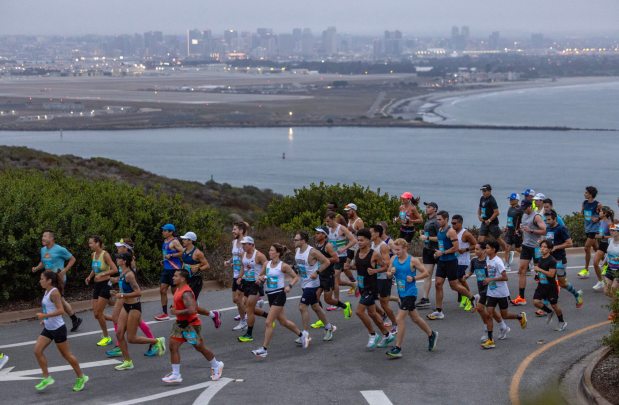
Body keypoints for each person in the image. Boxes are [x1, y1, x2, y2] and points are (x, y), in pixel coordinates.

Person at [162, 269, 224, 383]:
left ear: (183, 278)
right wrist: (174, 308)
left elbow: (192, 310)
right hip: (180, 324)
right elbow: (179, 304)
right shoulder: (178, 289)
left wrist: (176, 312)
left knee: (199, 347)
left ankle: (216, 365)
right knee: (173, 346)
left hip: (190, 325)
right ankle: (176, 374)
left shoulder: (186, 293)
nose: (173, 277)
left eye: (176, 276)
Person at [34, 270, 88, 392]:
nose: (40, 280)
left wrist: (43, 316)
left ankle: (81, 377)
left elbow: (61, 311)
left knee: (66, 355)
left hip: (58, 329)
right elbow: (49, 308)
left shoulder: (54, 293)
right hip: (48, 328)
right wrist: (45, 318)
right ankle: (46, 377)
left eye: (42, 278)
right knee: (37, 350)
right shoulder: (47, 291)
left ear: (49, 280)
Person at [251, 244, 307, 358]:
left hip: (280, 295)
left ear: (277, 253)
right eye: (269, 250)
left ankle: (264, 349)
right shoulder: (266, 264)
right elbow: (260, 276)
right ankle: (302, 335)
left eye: (271, 250)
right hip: (270, 295)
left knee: (268, 322)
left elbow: (296, 277)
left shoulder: (283, 266)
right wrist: (260, 279)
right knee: (283, 322)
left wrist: (289, 286)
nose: (269, 252)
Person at [385, 238, 438, 358]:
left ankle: (397, 348)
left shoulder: (412, 260)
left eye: (398, 250)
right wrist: (391, 273)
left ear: (405, 248)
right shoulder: (393, 259)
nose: (396, 252)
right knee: (415, 318)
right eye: (394, 250)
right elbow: (388, 274)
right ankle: (431, 334)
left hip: (410, 293)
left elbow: (426, 273)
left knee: (399, 319)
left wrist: (414, 278)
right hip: (401, 293)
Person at [106, 238, 158, 358]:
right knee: (127, 321)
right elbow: (123, 276)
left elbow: (131, 279)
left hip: (129, 297)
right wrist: (116, 280)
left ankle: (153, 342)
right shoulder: (124, 263)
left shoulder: (130, 261)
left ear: (126, 249)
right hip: (124, 295)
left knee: (133, 323)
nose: (118, 248)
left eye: (120, 247)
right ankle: (121, 346)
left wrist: (123, 293)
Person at [113, 252, 166, 371]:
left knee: (131, 338)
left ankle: (157, 341)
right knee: (119, 334)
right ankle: (127, 361)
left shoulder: (129, 275)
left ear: (124, 261)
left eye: (119, 258)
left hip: (134, 307)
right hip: (126, 306)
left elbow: (138, 292)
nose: (117, 259)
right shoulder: (122, 272)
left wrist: (122, 295)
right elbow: (123, 287)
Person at [427, 211, 477, 320]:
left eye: (440, 219)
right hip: (442, 261)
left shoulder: (451, 231)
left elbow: (455, 248)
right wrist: (437, 251)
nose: (438, 221)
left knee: (454, 285)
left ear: (446, 220)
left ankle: (472, 298)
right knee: (438, 284)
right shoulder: (440, 230)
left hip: (451, 261)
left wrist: (443, 252)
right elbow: (441, 241)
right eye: (437, 219)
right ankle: (439, 311)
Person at [352, 228, 396, 349]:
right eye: (358, 240)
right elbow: (359, 269)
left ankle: (372, 334)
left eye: (361, 240)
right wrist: (356, 284)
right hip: (362, 286)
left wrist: (375, 270)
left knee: (359, 312)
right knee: (372, 313)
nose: (359, 242)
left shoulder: (374, 254)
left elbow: (385, 266)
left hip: (371, 287)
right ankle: (387, 335)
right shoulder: (357, 252)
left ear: (368, 241)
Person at [31, 230, 82, 332]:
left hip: (58, 279)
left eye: (45, 236)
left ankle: (56, 324)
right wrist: (36, 268)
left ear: (51, 238)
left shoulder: (59, 249)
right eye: (42, 236)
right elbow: (43, 262)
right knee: (60, 301)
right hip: (48, 280)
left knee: (56, 301)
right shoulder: (43, 250)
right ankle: (74, 319)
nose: (42, 238)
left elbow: (72, 259)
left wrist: (64, 270)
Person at [481, 240, 528, 349]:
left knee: (504, 315)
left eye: (488, 248)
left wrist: (491, 279)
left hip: (501, 293)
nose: (486, 250)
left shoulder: (498, 262)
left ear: (493, 250)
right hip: (491, 292)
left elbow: (505, 277)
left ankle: (520, 316)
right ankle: (490, 340)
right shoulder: (488, 258)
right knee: (489, 315)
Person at [294, 231, 336, 343]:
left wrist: (317, 272)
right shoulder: (297, 250)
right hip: (304, 283)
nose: (294, 241)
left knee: (302, 307)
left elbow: (327, 262)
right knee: (316, 307)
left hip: (312, 284)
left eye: (296, 239)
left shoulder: (312, 252)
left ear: (303, 241)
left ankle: (305, 334)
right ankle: (329, 327)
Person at [464, 243, 510, 343]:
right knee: (491, 311)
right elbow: (471, 271)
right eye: (474, 249)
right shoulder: (474, 261)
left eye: (477, 249)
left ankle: (487, 331)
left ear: (484, 250)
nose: (475, 251)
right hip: (481, 288)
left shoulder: (488, 262)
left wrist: (492, 280)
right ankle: (503, 326)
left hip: (489, 288)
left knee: (481, 308)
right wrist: (467, 276)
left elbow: (499, 274)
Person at [542, 210, 582, 313]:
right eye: (546, 219)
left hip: (559, 260)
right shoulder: (548, 228)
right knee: (547, 282)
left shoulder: (561, 228)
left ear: (555, 219)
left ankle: (577, 295)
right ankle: (544, 307)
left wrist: (557, 247)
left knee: (562, 283)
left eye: (549, 219)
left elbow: (570, 243)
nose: (547, 221)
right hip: (550, 260)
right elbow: (549, 241)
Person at [180, 231, 221, 328]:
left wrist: (198, 268)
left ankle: (189, 323)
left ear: (190, 241)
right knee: (188, 303)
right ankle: (213, 315)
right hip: (186, 280)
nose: (183, 240)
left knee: (190, 305)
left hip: (195, 281)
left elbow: (207, 265)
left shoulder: (197, 253)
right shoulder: (184, 250)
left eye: (185, 239)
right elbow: (185, 264)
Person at [84, 235, 118, 347]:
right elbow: (94, 269)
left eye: (91, 243)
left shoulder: (105, 254)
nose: (89, 245)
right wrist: (89, 277)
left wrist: (103, 273)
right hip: (97, 285)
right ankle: (117, 319)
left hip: (105, 285)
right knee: (96, 314)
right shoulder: (93, 255)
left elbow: (114, 269)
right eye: (89, 243)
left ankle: (106, 337)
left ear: (97, 243)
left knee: (99, 312)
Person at [312, 226, 352, 320]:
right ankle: (322, 320)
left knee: (328, 300)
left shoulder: (328, 246)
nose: (316, 235)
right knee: (315, 298)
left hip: (328, 275)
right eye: (316, 233)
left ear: (324, 235)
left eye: (318, 233)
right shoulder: (317, 245)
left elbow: (336, 259)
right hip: (320, 274)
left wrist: (324, 260)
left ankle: (345, 306)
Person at [511, 200, 546, 306]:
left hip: (536, 248)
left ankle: (545, 295)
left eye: (525, 208)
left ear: (530, 206)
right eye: (523, 208)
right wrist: (520, 231)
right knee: (521, 270)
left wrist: (531, 231)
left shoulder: (537, 217)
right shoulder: (524, 215)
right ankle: (521, 298)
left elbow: (544, 230)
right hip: (526, 246)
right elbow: (524, 228)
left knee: (540, 273)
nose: (524, 210)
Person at [237, 236, 269, 343]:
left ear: (251, 244)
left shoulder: (259, 255)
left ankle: (249, 335)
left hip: (256, 284)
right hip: (247, 283)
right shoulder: (243, 254)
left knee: (249, 309)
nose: (243, 246)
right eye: (242, 244)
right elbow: (243, 267)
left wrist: (262, 279)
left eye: (245, 244)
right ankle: (269, 316)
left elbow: (268, 268)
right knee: (246, 307)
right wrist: (240, 277)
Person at [532, 240, 568, 331]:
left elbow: (551, 274)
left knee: (555, 305)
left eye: (544, 247)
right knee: (536, 302)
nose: (542, 249)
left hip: (551, 287)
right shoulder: (540, 259)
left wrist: (539, 269)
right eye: (541, 247)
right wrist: (537, 273)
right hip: (541, 285)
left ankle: (562, 322)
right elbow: (540, 271)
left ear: (550, 249)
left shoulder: (552, 260)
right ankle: (549, 312)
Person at [325, 212, 358, 309]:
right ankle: (353, 284)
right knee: (338, 281)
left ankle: (336, 303)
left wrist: (344, 248)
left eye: (328, 221)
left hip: (341, 257)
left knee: (334, 279)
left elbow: (353, 240)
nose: (327, 223)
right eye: (326, 221)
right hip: (333, 257)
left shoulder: (342, 228)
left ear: (334, 219)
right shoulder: (328, 229)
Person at [370, 224, 397, 332]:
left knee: (384, 304)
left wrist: (376, 264)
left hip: (384, 278)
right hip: (374, 278)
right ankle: (383, 315)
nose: (369, 234)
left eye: (371, 232)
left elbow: (386, 264)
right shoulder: (371, 244)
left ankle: (395, 323)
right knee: (369, 300)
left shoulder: (383, 246)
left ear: (377, 233)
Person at [154, 224, 184, 321]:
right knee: (162, 290)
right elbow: (165, 254)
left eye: (165, 230)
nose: (163, 232)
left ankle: (182, 309)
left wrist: (171, 255)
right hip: (166, 269)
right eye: (163, 230)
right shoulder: (165, 241)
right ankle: (165, 313)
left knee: (175, 292)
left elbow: (183, 252)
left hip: (174, 269)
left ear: (171, 232)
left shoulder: (174, 241)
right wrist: (163, 260)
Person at [225, 222, 248, 330]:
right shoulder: (234, 242)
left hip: (244, 275)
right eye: (233, 229)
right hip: (235, 274)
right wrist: (229, 261)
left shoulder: (247, 242)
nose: (232, 231)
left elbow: (251, 256)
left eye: (235, 229)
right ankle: (247, 309)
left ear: (241, 231)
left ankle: (244, 321)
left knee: (239, 299)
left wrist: (241, 256)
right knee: (235, 299)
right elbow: (233, 255)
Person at [418, 201, 440, 308]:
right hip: (427, 249)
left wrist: (427, 237)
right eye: (426, 207)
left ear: (435, 209)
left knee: (447, 278)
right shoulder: (428, 220)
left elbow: (441, 237)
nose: (426, 208)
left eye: (429, 207)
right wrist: (423, 233)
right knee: (427, 275)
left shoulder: (437, 221)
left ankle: (463, 293)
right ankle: (425, 298)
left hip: (437, 251)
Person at [452, 215, 476, 307]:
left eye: (454, 223)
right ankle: (465, 298)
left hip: (463, 261)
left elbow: (476, 245)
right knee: (461, 280)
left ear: (460, 223)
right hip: (454, 260)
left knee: (457, 280)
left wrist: (465, 249)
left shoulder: (466, 234)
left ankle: (469, 298)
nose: (453, 225)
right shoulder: (452, 232)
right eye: (452, 223)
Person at [578, 186, 602, 279]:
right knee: (597, 248)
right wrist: (582, 212)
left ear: (591, 194)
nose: (584, 194)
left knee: (586, 248)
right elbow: (582, 213)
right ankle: (606, 264)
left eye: (586, 193)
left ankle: (586, 270)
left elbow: (603, 214)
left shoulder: (598, 204)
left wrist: (597, 218)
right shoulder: (584, 202)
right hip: (587, 228)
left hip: (594, 229)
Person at [478, 185, 505, 253]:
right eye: (482, 191)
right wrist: (479, 216)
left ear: (489, 191)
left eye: (484, 191)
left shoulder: (492, 200)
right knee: (480, 239)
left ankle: (507, 250)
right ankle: (483, 255)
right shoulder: (482, 198)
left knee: (498, 239)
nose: (483, 192)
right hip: (484, 222)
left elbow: (497, 212)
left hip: (492, 223)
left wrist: (489, 220)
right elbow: (480, 208)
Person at [593, 207, 614, 291]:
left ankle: (611, 281)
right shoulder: (601, 221)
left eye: (601, 211)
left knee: (611, 265)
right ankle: (601, 281)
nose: (599, 212)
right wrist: (598, 235)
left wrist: (601, 236)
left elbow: (613, 236)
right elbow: (601, 232)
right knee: (595, 262)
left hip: (609, 245)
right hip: (602, 244)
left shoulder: (609, 223)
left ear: (605, 213)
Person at [503, 193, 523, 268]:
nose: (510, 200)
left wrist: (520, 229)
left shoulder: (520, 210)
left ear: (517, 200)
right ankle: (507, 264)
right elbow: (509, 219)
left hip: (516, 232)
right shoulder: (510, 208)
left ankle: (527, 256)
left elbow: (523, 220)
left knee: (518, 249)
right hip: (509, 231)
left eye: (512, 199)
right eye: (510, 199)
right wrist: (506, 226)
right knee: (507, 247)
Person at [604, 224, 619, 320]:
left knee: (613, 289)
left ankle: (615, 311)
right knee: (606, 291)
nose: (611, 232)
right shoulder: (610, 240)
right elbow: (608, 253)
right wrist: (605, 262)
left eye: (613, 230)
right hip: (610, 268)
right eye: (610, 230)